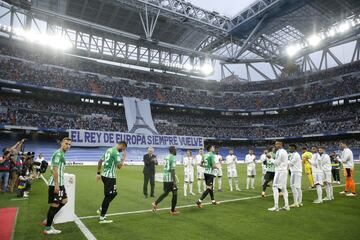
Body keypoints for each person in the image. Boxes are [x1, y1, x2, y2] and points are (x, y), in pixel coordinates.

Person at [43, 137, 72, 235]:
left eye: (69, 144)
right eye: (66, 143)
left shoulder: (61, 154)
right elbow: (55, 170)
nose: (68, 146)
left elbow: (54, 169)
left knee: (64, 200)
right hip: (57, 184)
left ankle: (48, 220)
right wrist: (56, 185)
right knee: (55, 205)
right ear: (61, 143)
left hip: (60, 183)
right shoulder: (58, 154)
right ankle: (48, 228)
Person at [96, 141, 127, 223]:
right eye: (122, 149)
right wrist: (123, 158)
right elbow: (119, 166)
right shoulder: (115, 152)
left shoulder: (108, 150)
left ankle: (101, 208)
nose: (122, 151)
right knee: (108, 196)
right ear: (121, 145)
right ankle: (102, 217)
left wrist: (98, 173)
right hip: (110, 177)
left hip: (104, 176)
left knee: (114, 193)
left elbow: (100, 161)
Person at [152, 146, 179, 215]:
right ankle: (172, 210)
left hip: (165, 177)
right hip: (170, 178)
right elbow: (172, 170)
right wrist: (174, 181)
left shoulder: (166, 157)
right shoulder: (173, 157)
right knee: (175, 193)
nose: (176, 150)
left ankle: (155, 203)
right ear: (173, 150)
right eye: (175, 149)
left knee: (166, 192)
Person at [268, 141, 289, 212]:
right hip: (284, 171)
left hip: (280, 171)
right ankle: (286, 206)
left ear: (281, 144)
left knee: (274, 187)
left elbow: (276, 163)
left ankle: (276, 206)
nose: (275, 145)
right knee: (283, 189)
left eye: (277, 144)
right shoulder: (284, 151)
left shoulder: (280, 152)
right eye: (275, 144)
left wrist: (270, 158)